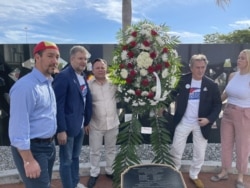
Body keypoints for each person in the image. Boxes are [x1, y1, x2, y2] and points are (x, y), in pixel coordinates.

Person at [8, 41, 60, 188]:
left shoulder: (47, 83)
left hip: (48, 146)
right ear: (37, 57)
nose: (55, 61)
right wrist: (28, 160)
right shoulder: (26, 87)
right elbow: (18, 127)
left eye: (57, 57)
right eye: (50, 56)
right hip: (33, 148)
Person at [169, 54, 222, 188]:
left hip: (201, 123)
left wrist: (209, 119)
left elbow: (217, 105)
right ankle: (174, 171)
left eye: (203, 67)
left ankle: (194, 175)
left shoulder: (211, 85)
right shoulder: (182, 80)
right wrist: (162, 106)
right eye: (197, 67)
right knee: (176, 148)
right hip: (184, 121)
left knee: (200, 152)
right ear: (191, 68)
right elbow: (171, 95)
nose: (200, 70)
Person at [53, 45, 92, 188]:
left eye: (85, 59)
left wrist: (86, 121)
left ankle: (75, 183)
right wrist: (61, 129)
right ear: (72, 59)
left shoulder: (82, 76)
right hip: (67, 129)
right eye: (80, 58)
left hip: (79, 126)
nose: (83, 61)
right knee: (66, 161)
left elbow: (84, 100)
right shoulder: (63, 76)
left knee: (75, 158)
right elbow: (58, 105)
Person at [210, 49, 250, 188]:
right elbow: (226, 93)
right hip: (228, 112)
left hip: (244, 114)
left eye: (243, 58)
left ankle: (240, 176)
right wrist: (215, 103)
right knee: (226, 143)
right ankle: (224, 171)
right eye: (239, 57)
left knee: (242, 146)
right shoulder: (232, 75)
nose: (239, 60)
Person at [85, 58, 119, 188]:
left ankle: (110, 171)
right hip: (95, 124)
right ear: (93, 70)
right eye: (97, 68)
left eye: (102, 67)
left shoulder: (114, 83)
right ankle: (94, 173)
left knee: (111, 149)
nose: (100, 70)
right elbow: (85, 105)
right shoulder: (88, 85)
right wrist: (86, 122)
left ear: (107, 69)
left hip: (112, 123)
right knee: (95, 150)